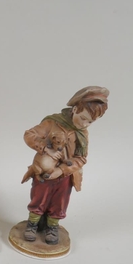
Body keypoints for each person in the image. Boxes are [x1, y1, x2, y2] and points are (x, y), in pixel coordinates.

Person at [22, 86, 109, 245]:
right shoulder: (52, 123)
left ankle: (52, 226)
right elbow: (30, 135)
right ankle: (32, 223)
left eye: (91, 121)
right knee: (39, 197)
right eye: (83, 118)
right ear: (75, 109)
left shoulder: (82, 134)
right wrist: (45, 148)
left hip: (65, 175)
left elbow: (81, 158)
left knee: (60, 201)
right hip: (44, 172)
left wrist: (61, 170)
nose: (85, 124)